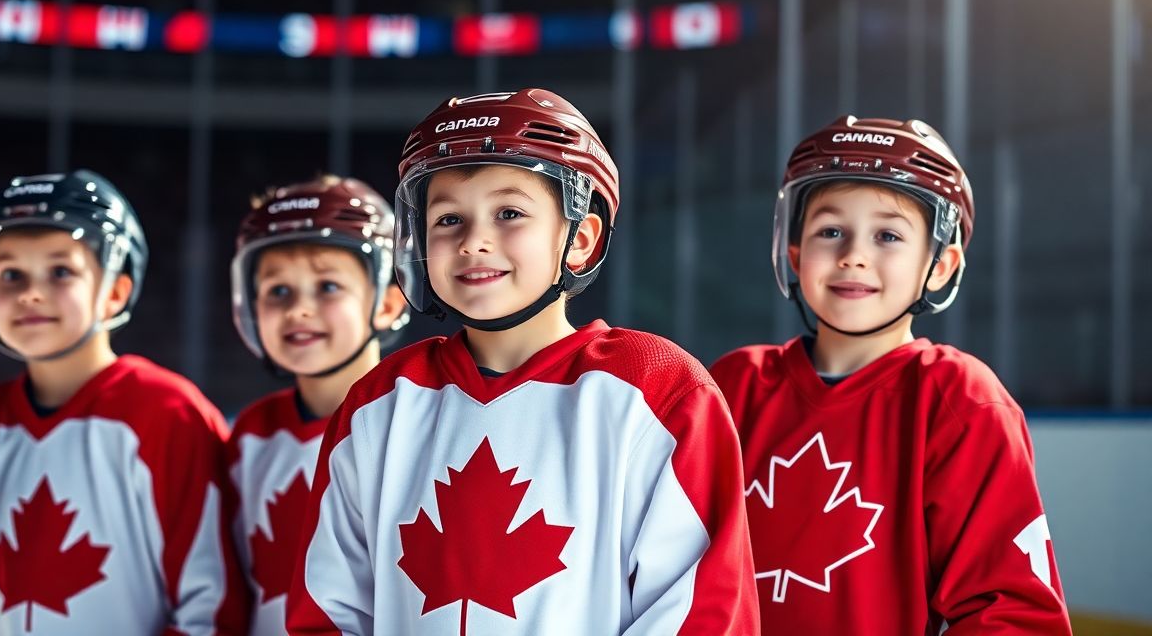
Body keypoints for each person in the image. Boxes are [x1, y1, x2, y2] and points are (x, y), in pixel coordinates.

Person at [285, 89, 759, 635]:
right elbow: (326, 611)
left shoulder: (658, 391)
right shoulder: (378, 404)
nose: (472, 242)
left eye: (508, 213)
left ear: (580, 238)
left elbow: (701, 613)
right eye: (447, 220)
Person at [0, 169, 249, 635]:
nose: (30, 292)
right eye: (10, 273)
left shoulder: (168, 415)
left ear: (115, 291)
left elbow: (212, 609)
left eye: (60, 271)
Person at [711, 116, 1071, 633]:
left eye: (888, 235)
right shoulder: (736, 385)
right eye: (829, 231)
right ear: (795, 253)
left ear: (941, 264)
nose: (853, 255)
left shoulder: (957, 400)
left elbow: (1010, 613)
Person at [225, 175, 408, 636]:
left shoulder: (414, 426)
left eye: (327, 287)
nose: (298, 311)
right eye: (278, 291)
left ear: (387, 303)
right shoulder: (250, 434)